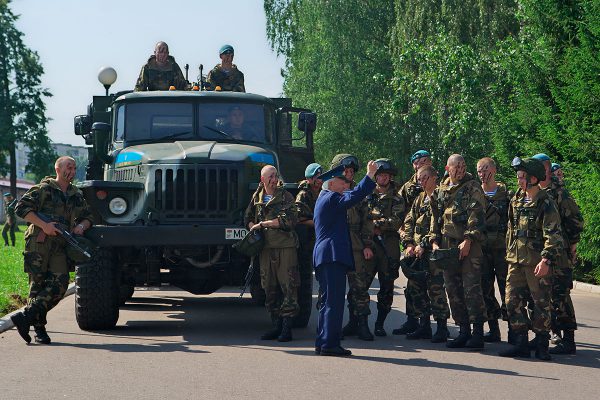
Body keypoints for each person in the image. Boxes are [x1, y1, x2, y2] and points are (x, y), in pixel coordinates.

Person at [11, 156, 94, 345]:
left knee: (60, 283)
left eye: (74, 168)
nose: (72, 171)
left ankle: (26, 316)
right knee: (37, 286)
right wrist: (44, 225)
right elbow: (21, 208)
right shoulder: (43, 189)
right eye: (68, 167)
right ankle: (39, 329)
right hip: (38, 242)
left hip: (60, 245)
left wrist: (81, 226)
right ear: (58, 168)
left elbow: (89, 216)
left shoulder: (75, 194)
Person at [499, 157, 563, 361]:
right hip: (516, 261)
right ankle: (520, 343)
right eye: (518, 176)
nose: (518, 180)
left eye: (522, 177)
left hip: (537, 262)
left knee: (541, 304)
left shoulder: (545, 202)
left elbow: (553, 234)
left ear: (533, 179)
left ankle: (542, 344)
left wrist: (546, 260)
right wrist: (509, 254)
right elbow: (511, 229)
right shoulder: (517, 198)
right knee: (511, 301)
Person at [313, 159, 378, 356]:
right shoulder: (331, 198)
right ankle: (330, 344)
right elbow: (354, 196)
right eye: (342, 182)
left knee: (327, 302)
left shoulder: (327, 196)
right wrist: (370, 175)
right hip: (332, 256)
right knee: (334, 302)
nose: (346, 185)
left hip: (326, 256)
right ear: (332, 183)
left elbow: (351, 194)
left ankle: (323, 340)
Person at [430, 154, 488, 349]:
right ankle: (463, 331)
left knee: (471, 289)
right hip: (447, 246)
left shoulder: (473, 187)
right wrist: (434, 241)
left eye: (463, 166)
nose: (461, 169)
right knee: (453, 289)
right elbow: (435, 217)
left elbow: (476, 214)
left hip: (468, 246)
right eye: (457, 167)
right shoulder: (442, 189)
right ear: (448, 168)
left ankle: (478, 333)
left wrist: (469, 240)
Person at [532, 153, 584, 355]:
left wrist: (571, 244)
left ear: (546, 169)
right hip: (540, 252)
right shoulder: (534, 191)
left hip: (559, 254)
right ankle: (549, 334)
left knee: (560, 295)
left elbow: (576, 222)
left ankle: (568, 339)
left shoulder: (560, 192)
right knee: (542, 296)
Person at [244, 165, 299, 342]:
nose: (274, 180)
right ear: (263, 179)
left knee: (288, 286)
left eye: (275, 176)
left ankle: (287, 328)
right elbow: (248, 218)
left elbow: (290, 220)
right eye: (270, 176)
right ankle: (276, 325)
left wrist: (264, 224)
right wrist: (253, 228)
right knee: (268, 287)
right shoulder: (257, 197)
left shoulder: (286, 196)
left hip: (285, 247)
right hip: (266, 249)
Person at [402, 165, 450, 342]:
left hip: (433, 252)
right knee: (416, 288)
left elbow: (439, 224)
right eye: (419, 179)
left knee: (436, 289)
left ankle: (442, 327)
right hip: (417, 252)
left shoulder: (440, 196)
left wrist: (424, 244)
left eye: (424, 178)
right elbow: (409, 222)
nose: (421, 182)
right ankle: (424, 325)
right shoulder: (420, 198)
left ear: (433, 178)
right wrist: (408, 244)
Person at [331, 155, 375, 341]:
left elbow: (367, 220)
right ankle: (335, 326)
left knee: (359, 287)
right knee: (333, 288)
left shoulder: (359, 191)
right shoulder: (331, 189)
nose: (348, 175)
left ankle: (362, 324)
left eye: (351, 172)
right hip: (337, 244)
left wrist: (366, 244)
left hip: (356, 244)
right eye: (345, 171)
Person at [366, 158, 406, 336]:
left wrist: (376, 224)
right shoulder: (367, 194)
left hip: (388, 247)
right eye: (380, 175)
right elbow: (360, 216)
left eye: (386, 175)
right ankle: (357, 322)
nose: (383, 178)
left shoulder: (397, 198)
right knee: (360, 285)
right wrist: (371, 227)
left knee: (387, 286)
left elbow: (396, 221)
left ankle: (380, 323)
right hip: (368, 245)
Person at [394, 149, 430, 335]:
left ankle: (428, 323)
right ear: (413, 165)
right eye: (418, 162)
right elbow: (400, 213)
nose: (422, 164)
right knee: (412, 285)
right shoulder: (407, 188)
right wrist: (405, 239)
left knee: (432, 285)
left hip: (430, 242)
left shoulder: (437, 183)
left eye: (425, 160)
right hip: (410, 240)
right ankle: (411, 320)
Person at [476, 157, 511, 343]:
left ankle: (515, 330)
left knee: (509, 291)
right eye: (479, 170)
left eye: (485, 169)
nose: (482, 174)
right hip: (483, 250)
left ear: (494, 170)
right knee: (485, 290)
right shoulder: (475, 194)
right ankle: (493, 329)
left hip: (503, 251)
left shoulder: (507, 194)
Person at [294, 163, 323, 326]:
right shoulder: (303, 195)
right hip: (306, 244)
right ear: (310, 179)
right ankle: (300, 317)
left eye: (320, 177)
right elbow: (300, 218)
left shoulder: (321, 192)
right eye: (316, 177)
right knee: (304, 281)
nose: (319, 180)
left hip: (318, 241)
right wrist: (320, 223)